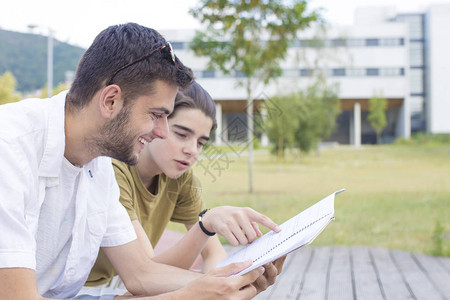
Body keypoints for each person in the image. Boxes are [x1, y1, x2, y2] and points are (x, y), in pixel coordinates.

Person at [0, 22, 283, 300]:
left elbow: (141, 274)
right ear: (111, 100)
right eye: (156, 115)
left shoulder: (98, 165)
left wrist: (232, 282)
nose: (161, 131)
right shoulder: (9, 148)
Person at [85, 82, 285, 295]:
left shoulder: (180, 177)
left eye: (200, 142)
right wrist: (205, 229)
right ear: (155, 123)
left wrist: (231, 280)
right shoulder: (114, 169)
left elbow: (213, 254)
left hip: (112, 287)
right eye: (182, 134)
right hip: (72, 289)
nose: (192, 151)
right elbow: (145, 274)